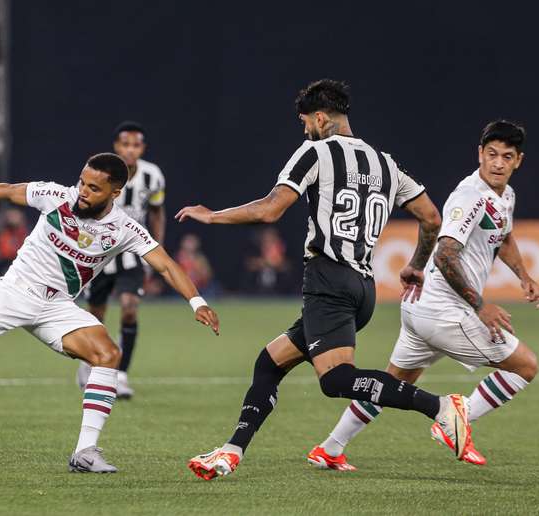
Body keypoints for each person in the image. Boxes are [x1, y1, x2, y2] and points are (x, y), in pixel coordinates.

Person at [177, 79, 468, 481]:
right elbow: (431, 218)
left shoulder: (315, 151)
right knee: (270, 362)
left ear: (319, 117)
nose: (303, 130)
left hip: (328, 281)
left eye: (304, 122)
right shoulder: (386, 162)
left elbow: (269, 210)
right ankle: (230, 452)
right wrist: (416, 264)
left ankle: (440, 408)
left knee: (335, 380)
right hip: (363, 288)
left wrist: (212, 216)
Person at [0, 152, 219, 473]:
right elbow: (7, 190)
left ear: (115, 192)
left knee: (107, 355)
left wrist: (197, 302)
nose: (82, 192)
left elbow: (165, 265)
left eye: (93, 188)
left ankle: (85, 452)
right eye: (82, 182)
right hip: (15, 290)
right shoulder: (57, 196)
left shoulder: (124, 228)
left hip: (57, 306)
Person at [310, 120, 539, 469]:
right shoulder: (470, 197)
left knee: (392, 383)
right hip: (444, 312)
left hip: (421, 309)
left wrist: (525, 276)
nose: (497, 163)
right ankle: (453, 421)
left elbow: (504, 236)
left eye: (506, 157)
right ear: (479, 154)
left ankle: (329, 449)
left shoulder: (505, 195)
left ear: (518, 161)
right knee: (525, 366)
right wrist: (480, 306)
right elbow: (445, 254)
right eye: (491, 154)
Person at [78, 122, 167, 399]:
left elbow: (157, 212)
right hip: (99, 253)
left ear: (142, 148)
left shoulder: (153, 177)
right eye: (125, 144)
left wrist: (155, 248)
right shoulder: (100, 172)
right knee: (96, 315)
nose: (130, 150)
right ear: (116, 146)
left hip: (131, 254)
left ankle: (122, 374)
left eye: (136, 145)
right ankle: (89, 363)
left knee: (129, 308)